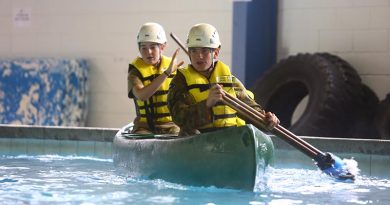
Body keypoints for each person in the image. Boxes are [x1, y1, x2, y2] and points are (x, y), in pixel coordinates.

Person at [167, 23, 279, 136]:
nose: (199, 56)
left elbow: (248, 107)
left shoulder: (228, 79)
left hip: (228, 141)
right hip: (198, 142)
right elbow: (179, 118)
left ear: (215, 53)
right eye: (194, 50)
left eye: (204, 50)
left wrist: (266, 119)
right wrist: (207, 104)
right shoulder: (180, 81)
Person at [128, 22, 183, 134]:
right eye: (144, 48)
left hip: (171, 124)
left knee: (179, 134)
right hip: (144, 126)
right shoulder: (135, 71)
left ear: (162, 47)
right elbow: (142, 95)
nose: (148, 52)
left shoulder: (174, 67)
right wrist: (166, 73)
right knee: (142, 138)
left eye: (153, 47)